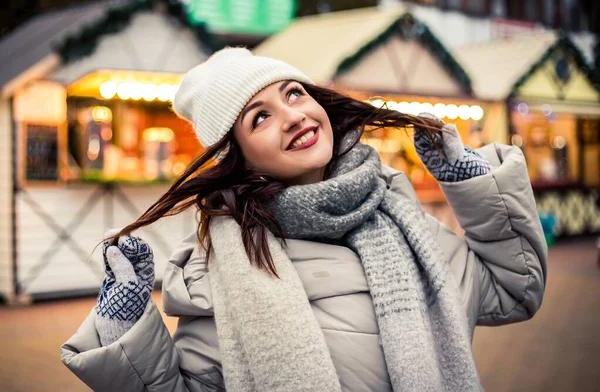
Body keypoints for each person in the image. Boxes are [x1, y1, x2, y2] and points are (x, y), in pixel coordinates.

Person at [61, 48, 547, 392]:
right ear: (240, 158)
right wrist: (124, 325)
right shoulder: (225, 273)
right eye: (259, 117)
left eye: (294, 94)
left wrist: (472, 180)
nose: (292, 116)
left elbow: (512, 290)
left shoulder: (404, 220)